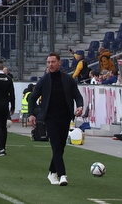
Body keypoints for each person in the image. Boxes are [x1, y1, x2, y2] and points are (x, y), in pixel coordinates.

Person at [27, 52, 84, 186]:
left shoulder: (68, 79)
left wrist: (80, 106)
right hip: (50, 118)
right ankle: (62, 175)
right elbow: (32, 97)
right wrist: (31, 114)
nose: (50, 65)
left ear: (59, 63)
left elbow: (77, 95)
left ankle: (51, 172)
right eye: (49, 62)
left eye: (53, 62)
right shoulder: (44, 80)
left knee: (62, 146)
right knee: (56, 146)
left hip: (65, 117)